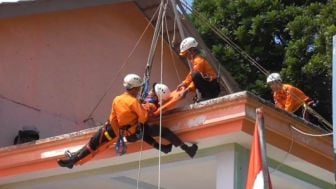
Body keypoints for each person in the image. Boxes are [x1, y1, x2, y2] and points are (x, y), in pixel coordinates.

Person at [57, 74, 197, 169]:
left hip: (111, 129)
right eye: (139, 88)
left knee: (92, 144)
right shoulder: (135, 102)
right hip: (131, 132)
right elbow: (143, 118)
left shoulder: (117, 98)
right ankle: (186, 149)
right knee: (159, 131)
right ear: (135, 88)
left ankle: (73, 160)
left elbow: (112, 118)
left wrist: (118, 132)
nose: (145, 92)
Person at [177, 37, 220, 102]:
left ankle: (207, 96)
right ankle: (206, 95)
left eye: (186, 54)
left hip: (212, 87)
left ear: (191, 51)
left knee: (195, 75)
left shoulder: (198, 61)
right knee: (194, 75)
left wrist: (186, 90)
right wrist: (184, 83)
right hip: (212, 86)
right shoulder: (197, 59)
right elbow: (191, 74)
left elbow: (195, 77)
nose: (186, 57)